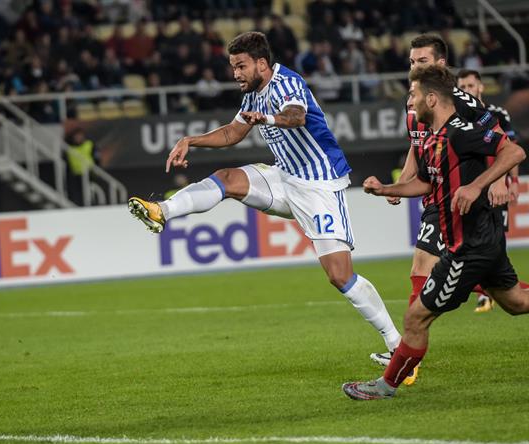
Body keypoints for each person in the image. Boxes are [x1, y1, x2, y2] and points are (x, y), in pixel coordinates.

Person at [127, 32, 402, 360]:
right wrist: (190, 140)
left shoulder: (287, 83)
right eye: (233, 67)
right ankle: (161, 211)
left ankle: (397, 347)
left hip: (319, 185)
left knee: (340, 275)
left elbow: (296, 116)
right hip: (283, 177)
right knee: (227, 179)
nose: (236, 74)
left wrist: (268, 118)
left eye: (241, 66)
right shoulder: (253, 93)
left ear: (261, 63)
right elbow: (233, 132)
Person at [343, 66, 528, 400]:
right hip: (481, 241)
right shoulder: (431, 140)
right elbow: (425, 184)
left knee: (416, 317)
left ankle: (385, 386)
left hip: (469, 247)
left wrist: (476, 185)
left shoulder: (461, 132)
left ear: (431, 98)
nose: (410, 102)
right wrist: (386, 189)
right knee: (516, 303)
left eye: (413, 95)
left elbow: (514, 152)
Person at [369, 34, 507, 382]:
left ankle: (407, 355)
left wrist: (496, 181)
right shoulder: (414, 100)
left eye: (422, 61)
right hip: (434, 194)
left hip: (459, 200)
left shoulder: (460, 102)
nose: (414, 67)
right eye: (412, 61)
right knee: (503, 293)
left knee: (423, 265)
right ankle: (410, 349)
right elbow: (417, 146)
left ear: (440, 64)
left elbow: (501, 141)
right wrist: (400, 183)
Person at [456, 68, 527, 312]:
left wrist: (512, 182)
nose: (467, 90)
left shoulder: (497, 114)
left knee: (496, 240)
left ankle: (492, 291)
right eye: (462, 87)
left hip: (495, 187)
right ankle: (491, 290)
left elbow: (510, 150)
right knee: (470, 242)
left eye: (470, 86)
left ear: (481, 87)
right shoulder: (457, 116)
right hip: (470, 189)